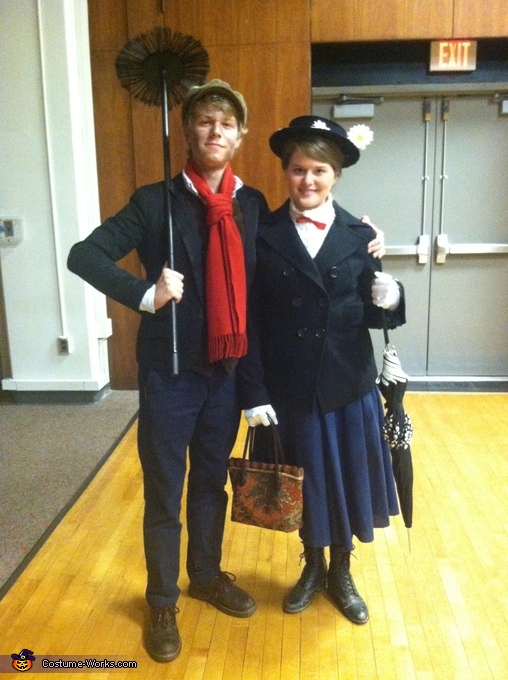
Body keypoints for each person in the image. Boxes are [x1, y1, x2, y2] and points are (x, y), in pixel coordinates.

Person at [67, 80, 279, 663]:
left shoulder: (251, 204)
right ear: (187, 132)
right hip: (172, 373)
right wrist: (144, 294)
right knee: (165, 488)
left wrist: (358, 240)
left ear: (240, 135)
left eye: (226, 122)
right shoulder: (153, 200)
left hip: (227, 373)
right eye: (204, 121)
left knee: (211, 481)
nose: (215, 131)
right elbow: (82, 254)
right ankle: (162, 599)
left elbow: (275, 276)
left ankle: (205, 575)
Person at [247, 115, 406, 625]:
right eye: (298, 170)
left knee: (345, 480)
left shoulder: (360, 236)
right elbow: (248, 316)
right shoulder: (262, 232)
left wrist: (393, 297)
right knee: (306, 480)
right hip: (288, 385)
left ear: (335, 175)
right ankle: (311, 567)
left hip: (346, 382)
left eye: (319, 170)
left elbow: (376, 310)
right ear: (286, 173)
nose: (308, 181)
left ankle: (341, 571)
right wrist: (252, 389)